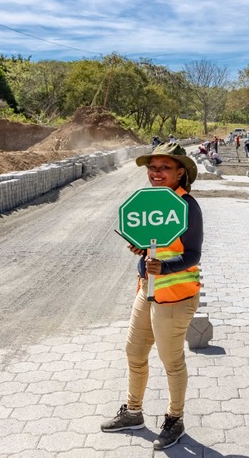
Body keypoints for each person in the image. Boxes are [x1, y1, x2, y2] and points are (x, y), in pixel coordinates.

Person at [101, 142, 202, 451]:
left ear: (180, 172)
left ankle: (175, 420)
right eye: (152, 168)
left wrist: (164, 266)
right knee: (134, 352)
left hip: (177, 297)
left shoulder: (188, 206)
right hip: (147, 291)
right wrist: (142, 250)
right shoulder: (150, 203)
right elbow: (152, 249)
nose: (156, 173)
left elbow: (193, 254)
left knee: (171, 361)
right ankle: (133, 412)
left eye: (164, 168)